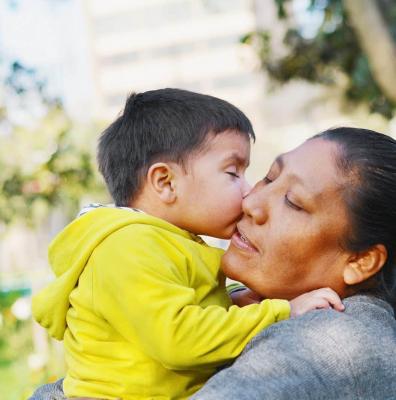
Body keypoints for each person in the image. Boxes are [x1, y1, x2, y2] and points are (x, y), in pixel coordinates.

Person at [31, 127, 396, 400]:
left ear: (360, 260)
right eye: (268, 177)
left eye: (294, 202)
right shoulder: (245, 308)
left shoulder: (331, 348)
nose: (250, 202)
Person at [30, 89, 344, 400]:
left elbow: (176, 308)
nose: (249, 192)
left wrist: (231, 301)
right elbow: (178, 337)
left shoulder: (166, 241)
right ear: (166, 183)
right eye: (233, 172)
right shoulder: (126, 247)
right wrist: (282, 312)